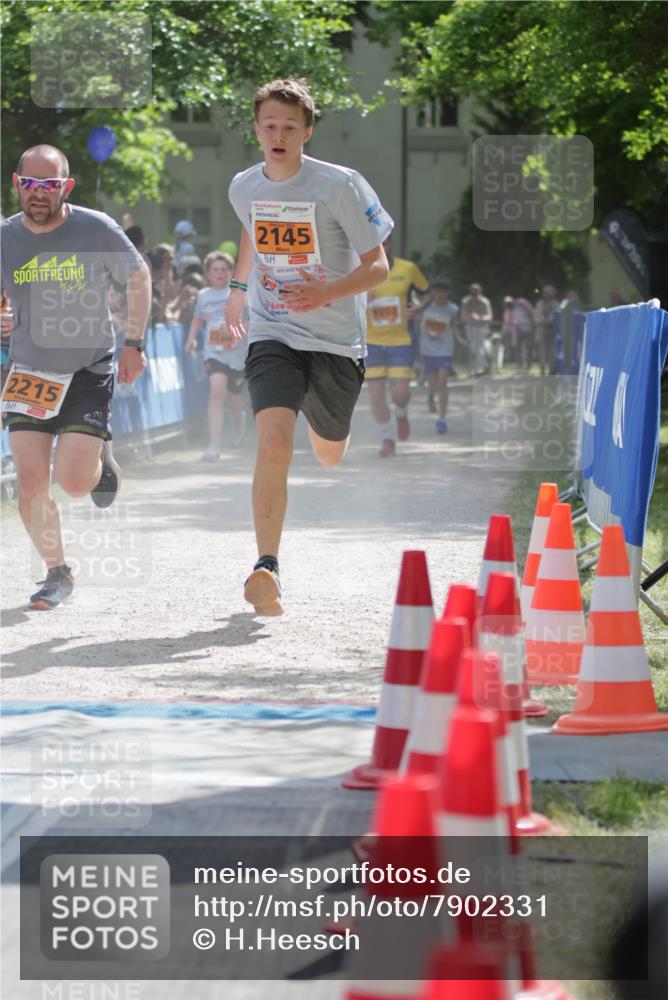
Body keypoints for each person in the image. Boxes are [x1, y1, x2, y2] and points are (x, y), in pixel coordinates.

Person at [226, 77, 392, 616]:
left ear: (307, 131)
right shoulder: (243, 186)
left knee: (328, 451)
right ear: (256, 129)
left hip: (337, 342)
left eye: (289, 127)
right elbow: (252, 229)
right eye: (269, 125)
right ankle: (266, 566)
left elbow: (378, 266)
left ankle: (332, 432)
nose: (278, 135)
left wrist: (325, 291)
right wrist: (236, 288)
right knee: (274, 442)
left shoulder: (340, 185)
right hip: (273, 329)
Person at [0, 144, 150, 609]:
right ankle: (56, 572)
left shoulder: (95, 228)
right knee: (30, 482)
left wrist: (134, 343)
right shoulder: (4, 237)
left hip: (88, 367)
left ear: (66, 186)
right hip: (28, 369)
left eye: (49, 185)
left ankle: (100, 459)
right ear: (17, 184)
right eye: (31, 184)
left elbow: (139, 277)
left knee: (75, 483)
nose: (39, 194)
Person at [365, 237, 430, 456]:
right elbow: (340, 298)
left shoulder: (408, 268)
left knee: (400, 393)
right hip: (371, 341)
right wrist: (360, 297)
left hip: (400, 340)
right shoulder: (360, 271)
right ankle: (387, 438)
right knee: (375, 394)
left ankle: (401, 412)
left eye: (384, 243)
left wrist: (418, 309)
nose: (381, 248)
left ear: (390, 245)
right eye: (376, 244)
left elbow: (427, 293)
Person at [185, 251, 247, 458]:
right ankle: (214, 445)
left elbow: (253, 319)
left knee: (233, 396)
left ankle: (239, 421)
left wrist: (235, 333)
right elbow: (197, 319)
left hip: (237, 353)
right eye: (215, 270)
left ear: (231, 273)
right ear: (208, 274)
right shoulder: (203, 296)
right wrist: (191, 338)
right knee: (217, 391)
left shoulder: (240, 292)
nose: (220, 273)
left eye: (224, 269)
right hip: (214, 352)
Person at [418, 278, 463, 434]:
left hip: (445, 349)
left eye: (443, 291)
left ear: (448, 293)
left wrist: (460, 338)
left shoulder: (453, 309)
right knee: (432, 383)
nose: (440, 294)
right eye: (437, 291)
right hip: (428, 350)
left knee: (442, 382)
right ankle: (431, 396)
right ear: (433, 292)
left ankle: (441, 419)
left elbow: (454, 326)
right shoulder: (425, 307)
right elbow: (416, 319)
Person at [460, 282, 493, 376]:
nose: (474, 292)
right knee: (473, 349)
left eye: (476, 290)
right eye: (473, 290)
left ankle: (481, 369)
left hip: (482, 328)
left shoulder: (485, 301)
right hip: (470, 328)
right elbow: (463, 317)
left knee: (480, 349)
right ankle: (480, 368)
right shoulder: (466, 301)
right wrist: (470, 316)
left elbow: (489, 317)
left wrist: (480, 318)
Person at [501, 294, 535, 373]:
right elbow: (506, 323)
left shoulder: (522, 303)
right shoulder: (509, 310)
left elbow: (530, 313)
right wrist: (503, 332)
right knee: (518, 349)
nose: (509, 305)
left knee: (528, 349)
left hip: (528, 329)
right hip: (519, 330)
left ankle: (527, 367)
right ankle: (520, 366)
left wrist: (533, 325)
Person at [533, 283, 559, 376]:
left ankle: (552, 371)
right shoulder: (539, 304)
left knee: (551, 353)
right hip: (542, 330)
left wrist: (549, 321)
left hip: (552, 331)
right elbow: (536, 317)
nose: (546, 295)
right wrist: (542, 321)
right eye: (545, 293)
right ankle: (542, 371)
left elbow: (556, 316)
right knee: (542, 353)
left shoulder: (555, 304)